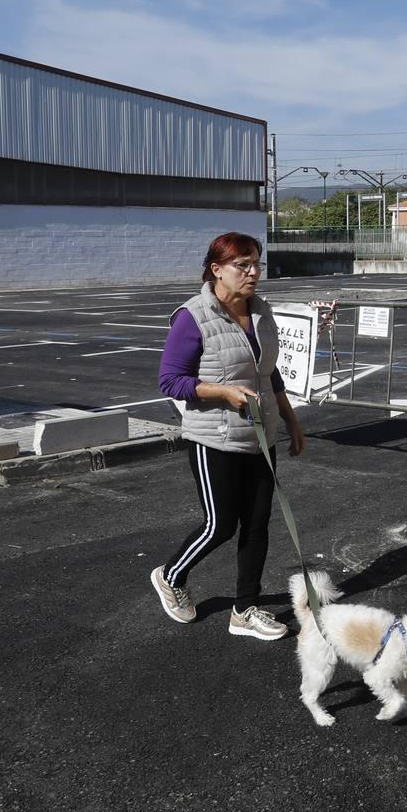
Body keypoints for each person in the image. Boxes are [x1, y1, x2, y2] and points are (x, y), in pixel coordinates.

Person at [151, 232, 305, 641]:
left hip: (260, 434)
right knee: (220, 524)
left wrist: (290, 420)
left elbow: (268, 371)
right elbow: (171, 381)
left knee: (257, 524)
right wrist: (222, 392)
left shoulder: (261, 311)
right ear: (217, 269)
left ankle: (245, 609)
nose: (253, 272)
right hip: (213, 438)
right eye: (243, 265)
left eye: (257, 263)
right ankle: (170, 575)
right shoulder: (193, 316)